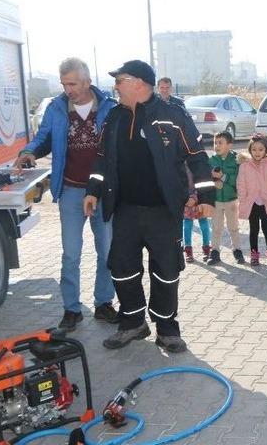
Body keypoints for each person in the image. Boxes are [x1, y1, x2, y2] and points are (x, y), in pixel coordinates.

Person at [84, 59, 214, 353]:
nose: (115, 87)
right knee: (120, 267)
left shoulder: (171, 115)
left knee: (166, 270)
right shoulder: (114, 118)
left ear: (138, 84)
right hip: (126, 210)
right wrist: (93, 190)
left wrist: (206, 198)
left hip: (163, 210)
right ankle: (132, 322)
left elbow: (197, 156)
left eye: (120, 81)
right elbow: (102, 158)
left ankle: (167, 329)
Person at [15, 57, 119, 331]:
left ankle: (104, 303)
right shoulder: (57, 108)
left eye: (72, 83)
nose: (67, 89)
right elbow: (44, 138)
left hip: (104, 192)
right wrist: (29, 152)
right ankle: (71, 310)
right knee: (71, 253)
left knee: (107, 250)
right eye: (64, 84)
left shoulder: (109, 107)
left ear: (87, 82)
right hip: (72, 191)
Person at [237, 134, 267, 266]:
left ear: (266, 151)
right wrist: (243, 200)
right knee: (253, 229)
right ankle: (254, 254)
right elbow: (241, 184)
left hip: (266, 202)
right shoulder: (245, 166)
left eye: (260, 149)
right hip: (252, 203)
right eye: (254, 149)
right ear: (250, 150)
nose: (257, 152)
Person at [207, 131, 244, 265]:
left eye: (220, 143)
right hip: (216, 200)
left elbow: (237, 180)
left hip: (231, 200)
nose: (216, 146)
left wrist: (223, 177)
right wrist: (213, 181)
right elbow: (205, 178)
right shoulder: (211, 160)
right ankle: (215, 252)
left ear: (229, 145)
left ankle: (237, 250)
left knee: (233, 227)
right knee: (216, 227)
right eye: (215, 143)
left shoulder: (236, 160)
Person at [183, 168, 211, 263]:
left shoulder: (199, 160)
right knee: (187, 224)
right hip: (187, 199)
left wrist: (196, 196)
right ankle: (188, 251)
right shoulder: (180, 162)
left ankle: (207, 249)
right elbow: (177, 182)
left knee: (203, 223)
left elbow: (205, 181)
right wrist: (186, 198)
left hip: (201, 197)